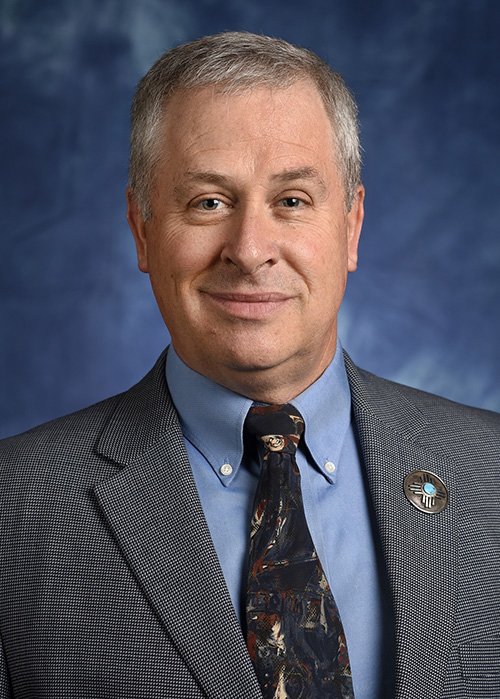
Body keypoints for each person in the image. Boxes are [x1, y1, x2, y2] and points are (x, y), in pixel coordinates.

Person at [0, 31, 499, 699]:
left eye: (291, 200)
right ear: (142, 228)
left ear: (350, 227)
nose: (250, 247)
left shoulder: (491, 472)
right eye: (209, 201)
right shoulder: (16, 510)